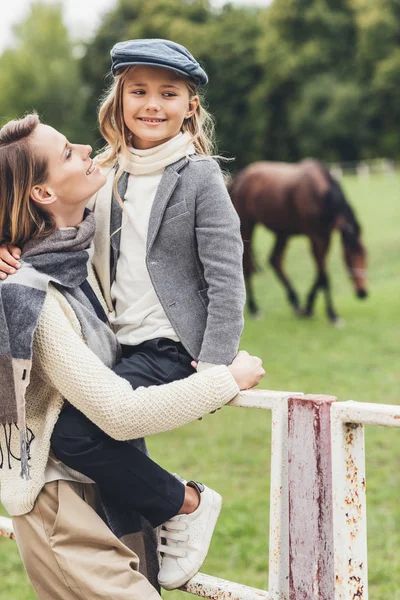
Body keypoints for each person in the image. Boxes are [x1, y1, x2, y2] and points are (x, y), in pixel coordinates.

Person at [1, 39, 248, 590]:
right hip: (117, 344)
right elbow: (34, 210)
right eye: (139, 91)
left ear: (191, 106)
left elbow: (227, 279)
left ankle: (185, 504)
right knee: (105, 442)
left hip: (168, 344)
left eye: (170, 93)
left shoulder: (199, 175)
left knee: (75, 434)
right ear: (118, 100)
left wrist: (215, 368)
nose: (153, 104)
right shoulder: (106, 171)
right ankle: (157, 527)